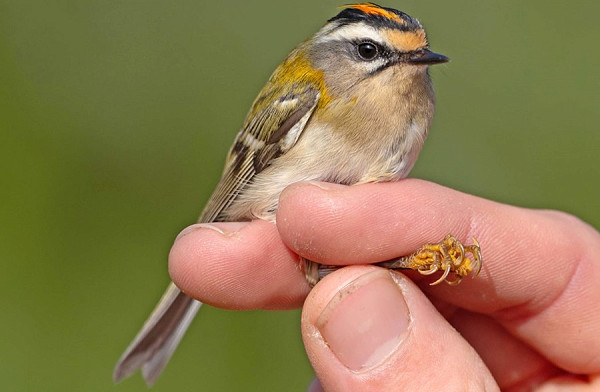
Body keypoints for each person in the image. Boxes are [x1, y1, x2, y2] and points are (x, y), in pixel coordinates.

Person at [168, 179, 600, 391]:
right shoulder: (315, 89)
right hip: (289, 215)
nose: (411, 64)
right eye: (371, 51)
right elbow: (251, 161)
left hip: (329, 228)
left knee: (340, 245)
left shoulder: (413, 94)